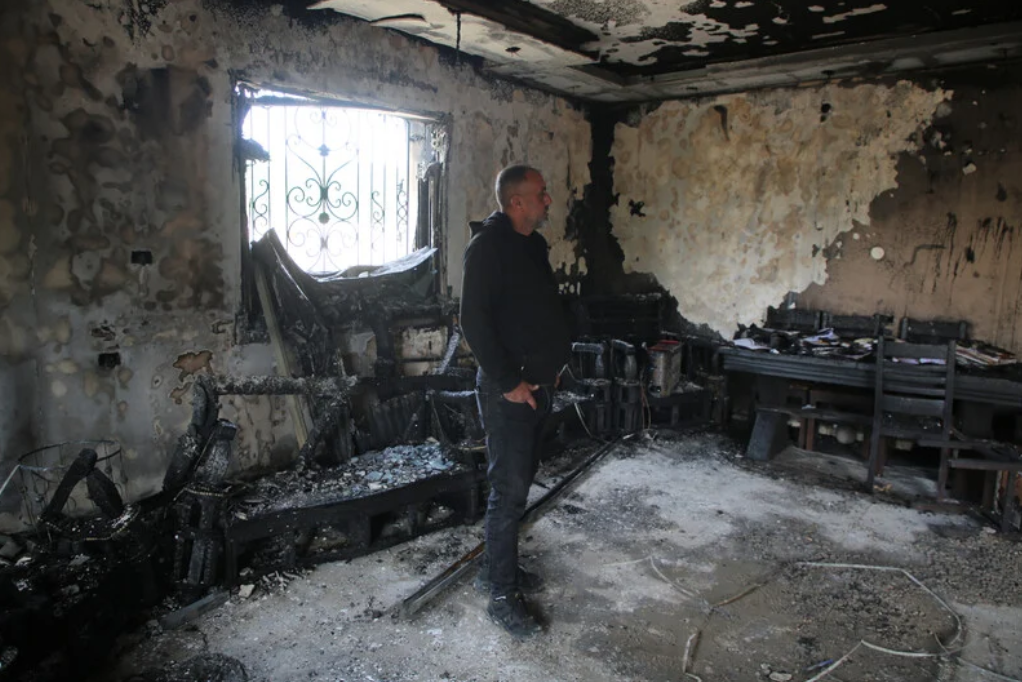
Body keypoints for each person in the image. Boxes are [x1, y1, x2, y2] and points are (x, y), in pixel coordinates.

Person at [460, 165, 571, 638]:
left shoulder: (532, 246)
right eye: (541, 195)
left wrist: (553, 364)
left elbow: (537, 312)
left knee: (520, 485)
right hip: (509, 391)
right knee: (507, 495)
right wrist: (509, 382)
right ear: (517, 202)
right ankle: (501, 595)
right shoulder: (487, 248)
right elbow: (473, 322)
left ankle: (497, 569)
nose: (549, 200)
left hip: (536, 387)